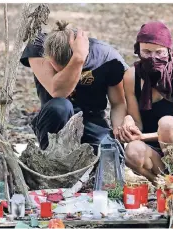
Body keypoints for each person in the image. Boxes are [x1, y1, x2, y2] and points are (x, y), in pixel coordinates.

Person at [20, 21, 129, 152]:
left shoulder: (106, 57)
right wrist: (78, 58)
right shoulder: (38, 46)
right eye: (58, 69)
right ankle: (50, 159)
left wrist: (118, 131)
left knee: (109, 151)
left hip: (92, 121)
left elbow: (118, 103)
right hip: (56, 120)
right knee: (60, 106)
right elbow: (58, 92)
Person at [118, 21, 173, 183]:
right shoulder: (131, 77)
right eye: (146, 52)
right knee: (132, 151)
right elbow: (138, 125)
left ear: (169, 51)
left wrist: (142, 136)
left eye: (159, 52)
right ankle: (160, 183)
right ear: (137, 50)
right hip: (153, 149)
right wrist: (129, 122)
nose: (153, 58)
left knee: (167, 123)